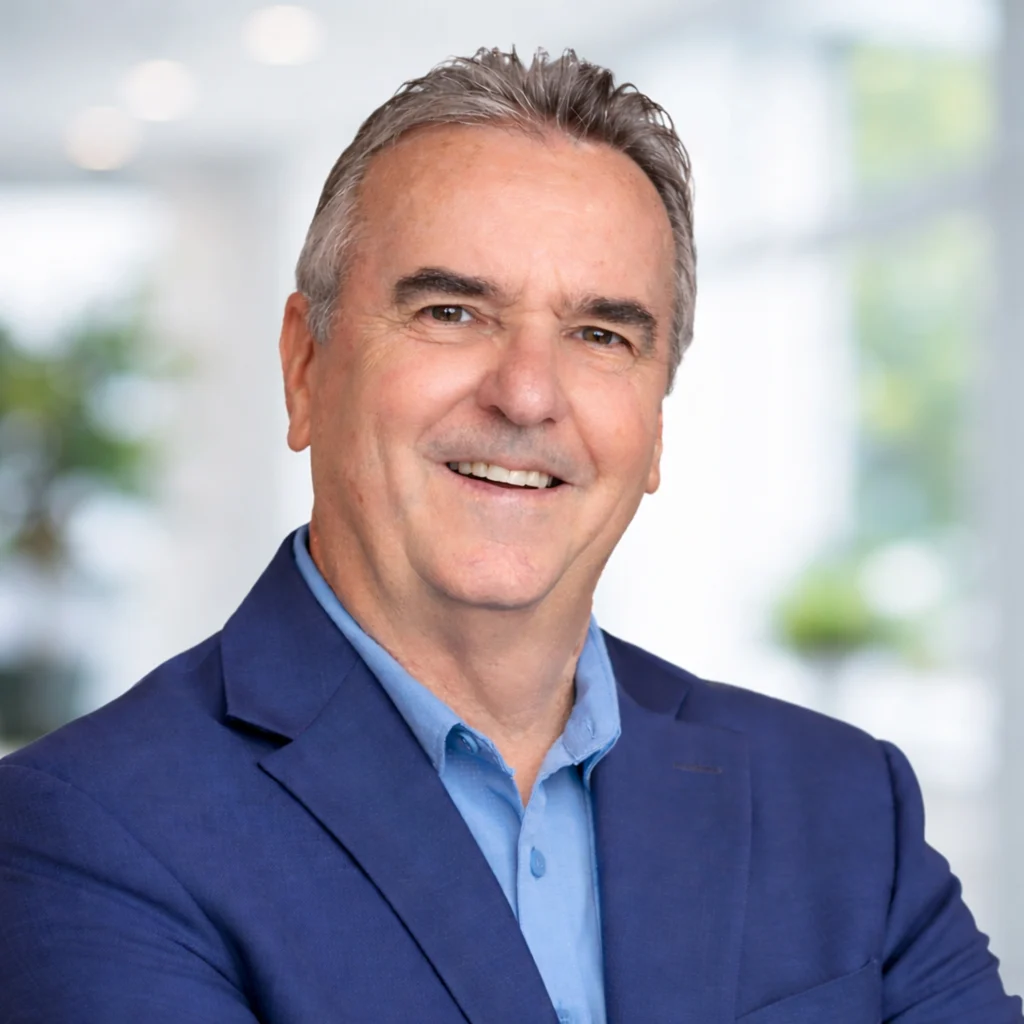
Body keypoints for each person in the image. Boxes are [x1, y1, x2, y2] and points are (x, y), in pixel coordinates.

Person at [0, 47, 1019, 1024]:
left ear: (655, 424)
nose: (527, 394)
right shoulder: (84, 831)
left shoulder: (845, 806)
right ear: (305, 367)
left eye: (599, 335)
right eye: (451, 311)